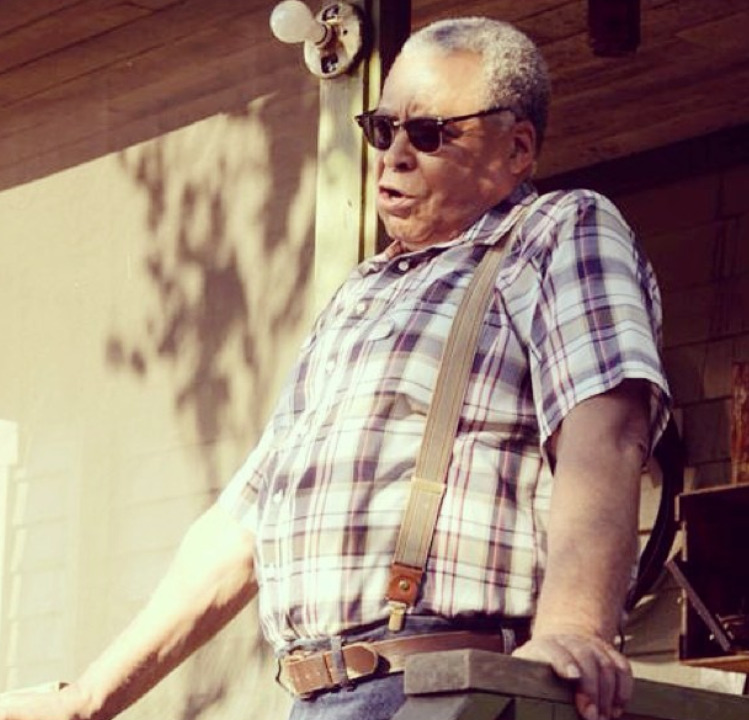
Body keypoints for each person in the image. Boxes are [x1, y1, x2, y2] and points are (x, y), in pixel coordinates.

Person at [0, 16, 670, 720]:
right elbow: (243, 524)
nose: (393, 157)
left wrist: (573, 627)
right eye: (383, 130)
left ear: (516, 149)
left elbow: (605, 428)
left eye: (428, 134)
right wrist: (92, 697)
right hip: (315, 695)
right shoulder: (359, 293)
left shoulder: (555, 231)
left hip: (447, 683)